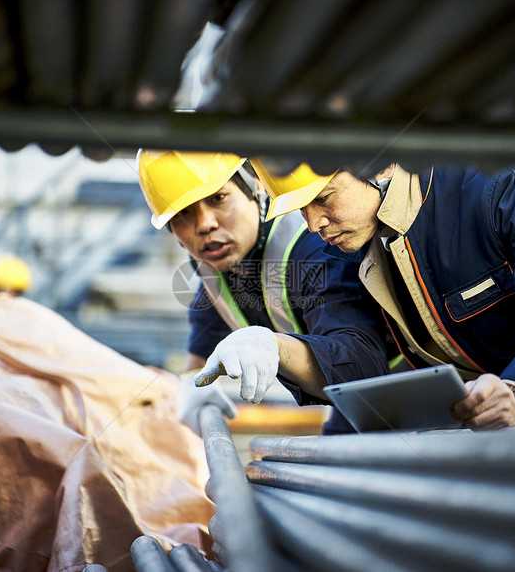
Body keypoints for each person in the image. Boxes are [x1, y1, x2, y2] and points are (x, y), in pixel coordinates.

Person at [250, 158, 515, 429]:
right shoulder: (345, 248)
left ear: (382, 164)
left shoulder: (499, 179)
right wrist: (275, 347)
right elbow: (359, 363)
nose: (313, 224)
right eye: (299, 210)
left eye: (323, 198)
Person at [136, 149, 390, 434]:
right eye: (182, 212)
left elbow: (363, 369)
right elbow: (211, 311)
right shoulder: (213, 260)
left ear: (255, 185)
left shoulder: (316, 250)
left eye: (218, 198)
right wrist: (192, 377)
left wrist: (274, 346)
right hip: (350, 403)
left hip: (407, 389)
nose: (204, 224)